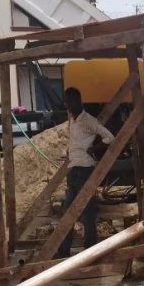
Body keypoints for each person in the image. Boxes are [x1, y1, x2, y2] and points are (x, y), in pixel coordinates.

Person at [57, 86, 115, 258]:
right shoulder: (72, 120)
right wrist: (70, 151)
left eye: (69, 102)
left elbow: (109, 137)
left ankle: (90, 251)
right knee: (69, 212)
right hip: (73, 170)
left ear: (77, 101)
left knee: (87, 212)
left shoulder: (88, 120)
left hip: (85, 171)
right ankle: (63, 251)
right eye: (66, 102)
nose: (67, 106)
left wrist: (95, 149)